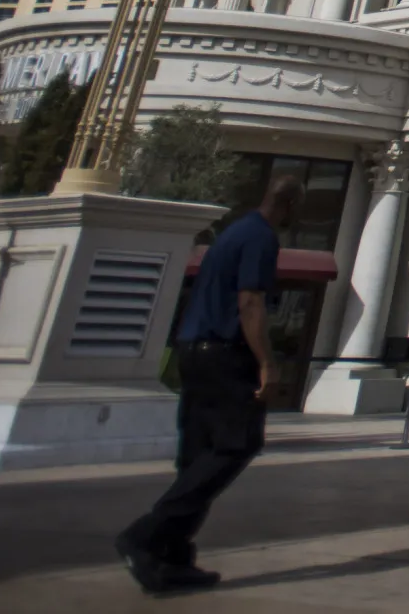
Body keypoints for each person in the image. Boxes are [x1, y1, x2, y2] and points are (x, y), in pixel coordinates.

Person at [116, 173, 301, 593]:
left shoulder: (233, 233)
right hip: (224, 353)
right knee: (238, 442)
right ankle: (148, 534)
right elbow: (250, 302)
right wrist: (268, 364)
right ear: (289, 205)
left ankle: (172, 556)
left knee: (197, 454)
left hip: (191, 350)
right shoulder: (261, 238)